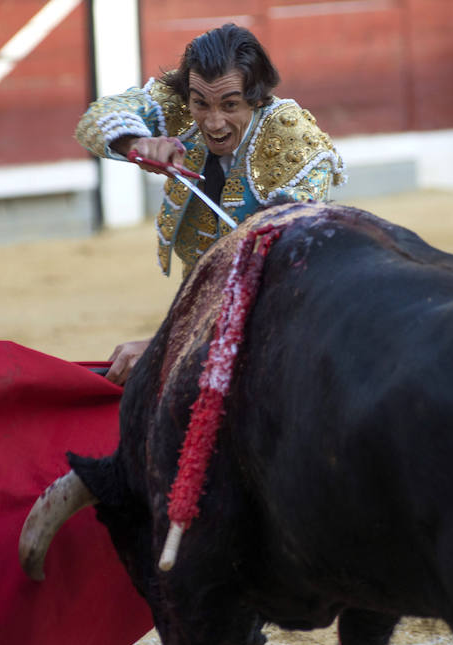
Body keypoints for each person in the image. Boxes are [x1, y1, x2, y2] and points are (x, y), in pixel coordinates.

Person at [76, 23, 345, 384]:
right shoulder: (186, 104)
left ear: (258, 97)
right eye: (201, 103)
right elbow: (97, 118)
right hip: (202, 308)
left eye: (230, 104)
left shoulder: (299, 146)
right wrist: (135, 143)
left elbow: (277, 276)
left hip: (282, 320)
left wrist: (167, 346)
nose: (213, 122)